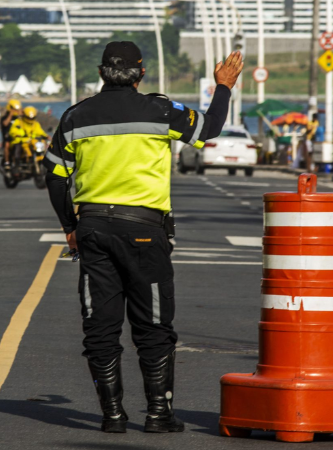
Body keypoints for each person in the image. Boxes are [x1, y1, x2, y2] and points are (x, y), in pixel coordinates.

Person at [43, 41, 243, 434]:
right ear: (141, 74)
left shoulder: (75, 116)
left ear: (101, 73)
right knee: (153, 325)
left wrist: (70, 227)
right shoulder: (161, 111)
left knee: (100, 327)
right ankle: (158, 414)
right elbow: (210, 128)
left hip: (94, 230)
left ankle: (112, 416)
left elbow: (54, 177)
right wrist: (223, 86)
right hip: (145, 232)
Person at [1, 99, 22, 167]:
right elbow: (5, 124)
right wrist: (10, 114)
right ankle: (7, 162)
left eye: (17, 109)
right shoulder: (5, 118)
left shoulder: (19, 119)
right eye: (14, 109)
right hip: (9, 138)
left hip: (19, 138)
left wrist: (21, 115)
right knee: (7, 145)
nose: (16, 111)